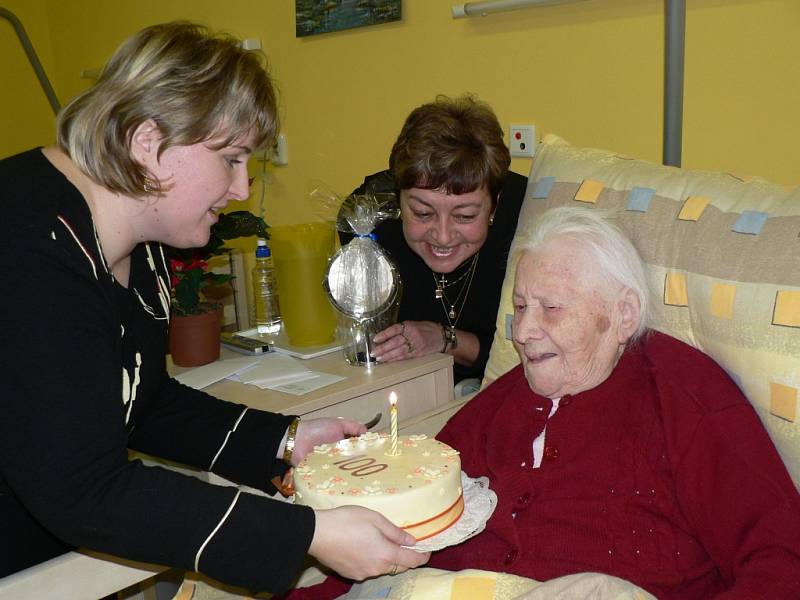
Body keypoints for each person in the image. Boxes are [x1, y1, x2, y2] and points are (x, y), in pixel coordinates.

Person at [0, 22, 428, 594]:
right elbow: (82, 488)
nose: (242, 189)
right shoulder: (27, 249)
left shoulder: (138, 242)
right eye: (231, 159)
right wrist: (305, 534)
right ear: (149, 143)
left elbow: (140, 400)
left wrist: (284, 440)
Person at [286, 206, 800, 600]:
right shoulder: (505, 399)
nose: (524, 331)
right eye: (520, 306)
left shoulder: (685, 396)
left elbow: (780, 555)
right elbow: (413, 513)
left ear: (623, 315)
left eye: (551, 308)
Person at [340, 95, 527, 383]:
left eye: (464, 216)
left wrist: (445, 339)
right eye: (422, 213)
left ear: (494, 205)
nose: (442, 235)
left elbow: (526, 356)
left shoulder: (527, 223)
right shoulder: (368, 224)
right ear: (398, 200)